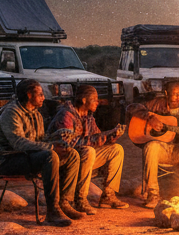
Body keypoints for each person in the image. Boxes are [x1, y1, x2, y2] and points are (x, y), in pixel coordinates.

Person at [0, 79, 80, 225]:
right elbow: (18, 143)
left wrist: (57, 140)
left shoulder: (35, 114)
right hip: (8, 160)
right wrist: (52, 147)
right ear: (29, 95)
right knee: (50, 156)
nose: (43, 98)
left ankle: (64, 202)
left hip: (28, 157)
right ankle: (52, 210)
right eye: (40, 94)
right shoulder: (11, 113)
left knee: (72, 155)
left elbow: (40, 139)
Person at [47, 85, 127, 213]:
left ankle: (108, 195)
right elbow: (67, 144)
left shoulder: (88, 116)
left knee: (116, 149)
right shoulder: (66, 115)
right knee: (88, 151)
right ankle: (80, 199)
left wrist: (111, 136)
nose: (98, 102)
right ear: (84, 100)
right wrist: (98, 139)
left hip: (85, 158)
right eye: (94, 99)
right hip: (67, 160)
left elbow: (96, 137)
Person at [126, 81, 179, 208]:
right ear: (166, 94)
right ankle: (153, 194)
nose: (175, 98)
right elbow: (131, 107)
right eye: (173, 94)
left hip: (177, 150)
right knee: (151, 146)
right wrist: (149, 117)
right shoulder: (156, 104)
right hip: (160, 149)